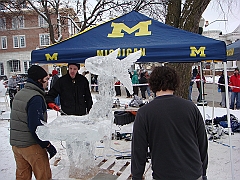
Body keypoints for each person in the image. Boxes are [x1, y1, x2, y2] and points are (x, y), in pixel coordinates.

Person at [131, 66, 208, 180]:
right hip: (193, 173)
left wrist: (136, 176)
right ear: (175, 83)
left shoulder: (145, 112)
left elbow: (138, 150)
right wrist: (203, 172)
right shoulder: (191, 108)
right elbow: (202, 143)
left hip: (164, 174)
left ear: (152, 84)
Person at [10, 65, 57, 180]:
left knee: (22, 176)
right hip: (31, 145)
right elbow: (35, 126)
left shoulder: (20, 93)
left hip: (17, 145)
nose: (47, 82)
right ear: (38, 80)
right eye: (46, 80)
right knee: (43, 176)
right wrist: (47, 145)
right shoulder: (35, 97)